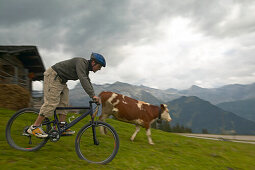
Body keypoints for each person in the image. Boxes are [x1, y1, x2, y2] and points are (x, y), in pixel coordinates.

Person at [27, 53, 106, 138]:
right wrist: (92, 95)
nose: (99, 69)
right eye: (99, 66)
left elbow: (87, 80)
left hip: (62, 81)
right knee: (52, 102)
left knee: (64, 102)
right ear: (93, 62)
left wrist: (93, 95)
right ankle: (35, 127)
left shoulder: (85, 69)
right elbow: (83, 79)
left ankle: (61, 127)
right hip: (53, 76)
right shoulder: (81, 62)